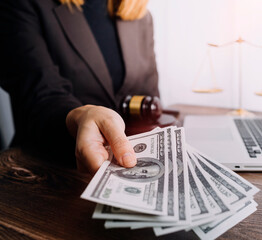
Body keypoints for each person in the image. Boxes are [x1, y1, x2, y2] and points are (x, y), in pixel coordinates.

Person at [0, 0, 159, 174]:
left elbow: (149, 98)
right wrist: (80, 117)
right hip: (48, 170)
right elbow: (40, 94)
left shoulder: (141, 16)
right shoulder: (23, 5)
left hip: (125, 167)